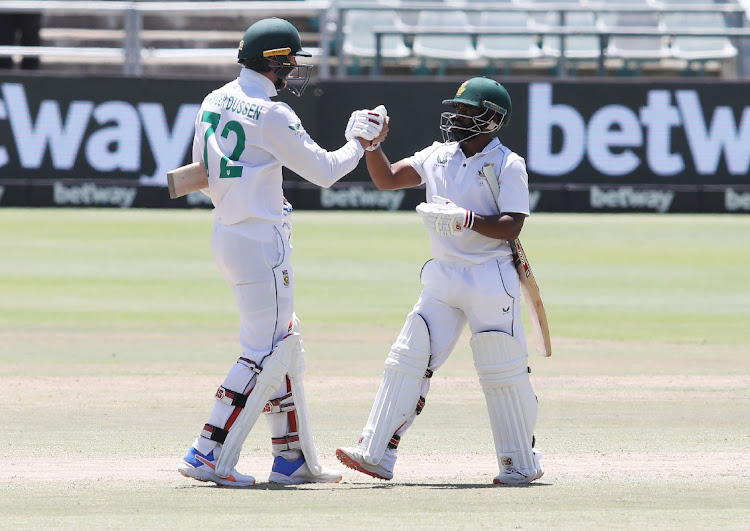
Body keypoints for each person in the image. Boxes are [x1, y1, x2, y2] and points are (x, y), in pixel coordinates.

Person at [177, 17, 386, 487]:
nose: (294, 68)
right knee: (265, 350)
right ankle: (206, 451)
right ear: (274, 62)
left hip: (227, 231)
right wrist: (360, 142)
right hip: (261, 241)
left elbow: (203, 170)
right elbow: (327, 172)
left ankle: (290, 458)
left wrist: (255, 192)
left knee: (284, 342)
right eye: (290, 60)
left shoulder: (215, 98)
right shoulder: (273, 113)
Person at [336, 77, 544, 485]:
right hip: (443, 277)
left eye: (469, 110)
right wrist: (372, 147)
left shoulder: (507, 164)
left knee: (501, 370)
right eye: (458, 108)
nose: (459, 115)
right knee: (406, 357)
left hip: (490, 279)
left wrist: (466, 219)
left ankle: (521, 463)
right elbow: (389, 179)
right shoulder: (438, 154)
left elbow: (512, 226)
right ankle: (377, 453)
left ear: (494, 120)